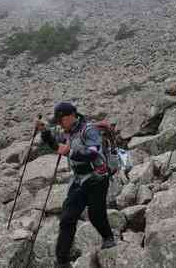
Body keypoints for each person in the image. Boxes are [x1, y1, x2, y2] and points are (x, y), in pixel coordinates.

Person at [36, 103, 116, 268]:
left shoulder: (89, 130)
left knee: (95, 214)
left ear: (71, 116)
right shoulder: (67, 132)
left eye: (61, 120)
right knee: (67, 218)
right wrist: (44, 132)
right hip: (79, 180)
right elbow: (56, 145)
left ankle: (108, 238)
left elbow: (93, 153)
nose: (59, 123)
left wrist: (69, 152)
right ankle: (62, 261)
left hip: (97, 178)